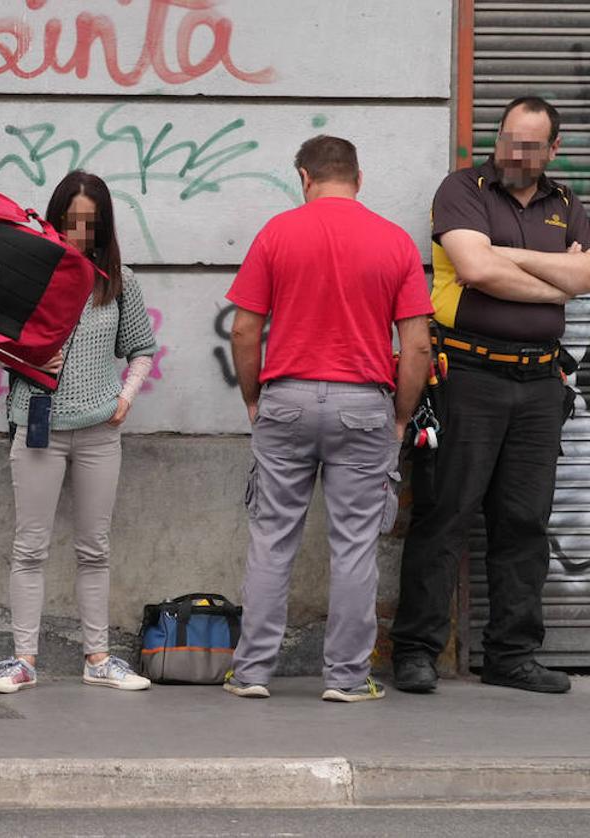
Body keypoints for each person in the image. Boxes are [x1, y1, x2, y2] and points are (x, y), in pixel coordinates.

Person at [391, 96, 590, 695]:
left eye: (529, 144)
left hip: (538, 384)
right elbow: (475, 270)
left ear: (553, 150)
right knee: (445, 513)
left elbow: (584, 280)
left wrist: (507, 255)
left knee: (524, 521)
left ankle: (511, 654)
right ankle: (417, 650)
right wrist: (549, 274)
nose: (515, 152)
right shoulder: (462, 188)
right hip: (468, 376)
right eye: (508, 139)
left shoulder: (567, 203)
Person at [225, 136, 433, 703]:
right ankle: (345, 677)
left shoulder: (277, 233)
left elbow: (244, 329)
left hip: (286, 399)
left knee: (272, 539)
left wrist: (253, 397)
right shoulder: (393, 242)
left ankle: (252, 674)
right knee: (355, 546)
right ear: (359, 178)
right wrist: (399, 417)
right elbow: (416, 346)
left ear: (303, 176)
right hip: (365, 405)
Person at [0, 170, 156, 695]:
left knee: (95, 548)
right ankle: (23, 660)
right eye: (71, 222)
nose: (80, 235)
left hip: (100, 431)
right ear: (55, 220)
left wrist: (125, 397)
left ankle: (98, 658)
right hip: (38, 425)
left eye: (91, 225)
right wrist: (25, 355)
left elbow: (142, 348)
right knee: (30, 547)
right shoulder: (30, 275)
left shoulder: (117, 281)